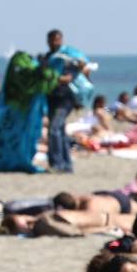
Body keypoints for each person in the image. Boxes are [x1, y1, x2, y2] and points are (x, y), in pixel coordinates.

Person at [42, 30, 91, 173]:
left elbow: (80, 69)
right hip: (52, 97)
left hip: (65, 97)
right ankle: (66, 165)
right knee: (60, 130)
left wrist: (57, 78)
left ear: (61, 40)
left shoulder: (68, 55)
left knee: (54, 130)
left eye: (57, 40)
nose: (54, 42)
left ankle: (57, 164)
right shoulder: (48, 57)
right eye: (51, 40)